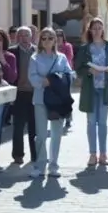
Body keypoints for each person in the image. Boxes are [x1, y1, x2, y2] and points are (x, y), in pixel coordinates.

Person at [28, 28, 73, 179]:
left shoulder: (62, 58)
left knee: (56, 133)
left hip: (58, 101)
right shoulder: (35, 58)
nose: (47, 41)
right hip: (41, 99)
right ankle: (40, 165)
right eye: (44, 38)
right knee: (40, 134)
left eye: (50, 38)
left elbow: (70, 75)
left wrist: (56, 79)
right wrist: (45, 82)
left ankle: (54, 165)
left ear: (55, 40)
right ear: (40, 40)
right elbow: (32, 78)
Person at [75, 17, 108, 167]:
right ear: (90, 30)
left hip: (105, 89)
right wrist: (88, 70)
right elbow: (78, 68)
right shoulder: (84, 48)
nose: (97, 30)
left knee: (103, 123)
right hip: (90, 90)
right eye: (94, 28)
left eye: (100, 28)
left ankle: (103, 154)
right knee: (91, 123)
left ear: (103, 30)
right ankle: (92, 154)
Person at [8, 26, 38, 165]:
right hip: (19, 92)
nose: (24, 38)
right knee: (18, 126)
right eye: (21, 35)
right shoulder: (12, 52)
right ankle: (18, 155)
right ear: (17, 37)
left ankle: (35, 154)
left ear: (31, 37)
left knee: (34, 125)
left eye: (27, 35)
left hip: (34, 92)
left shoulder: (37, 51)